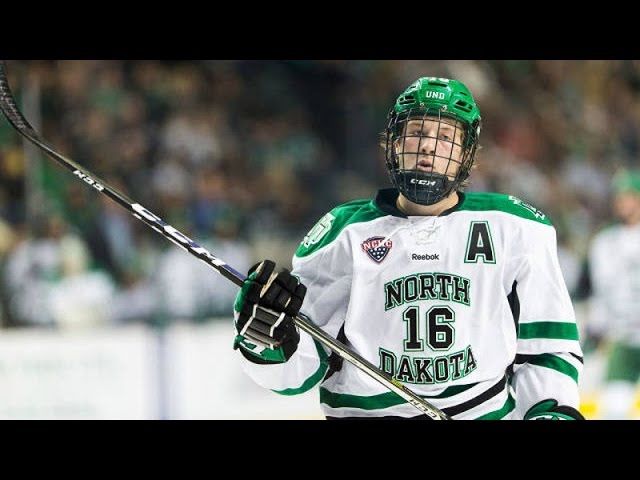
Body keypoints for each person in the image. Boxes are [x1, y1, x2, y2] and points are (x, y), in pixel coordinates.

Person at [232, 76, 584, 420]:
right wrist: (266, 340)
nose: (429, 145)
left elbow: (546, 345)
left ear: (467, 153)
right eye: (417, 132)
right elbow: (300, 371)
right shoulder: (343, 235)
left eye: (446, 136)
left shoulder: (515, 228)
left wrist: (551, 411)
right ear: (394, 144)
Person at [588, 168, 640, 419]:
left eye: (629, 195)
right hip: (622, 335)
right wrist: (598, 328)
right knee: (614, 409)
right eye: (620, 197)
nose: (623, 202)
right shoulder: (605, 242)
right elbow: (602, 291)